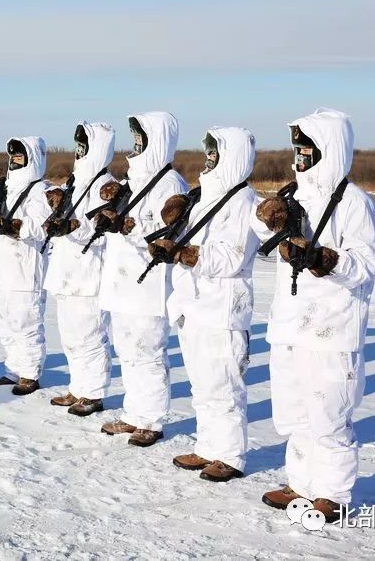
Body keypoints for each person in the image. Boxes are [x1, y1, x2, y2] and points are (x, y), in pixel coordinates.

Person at [255, 108, 375, 523]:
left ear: (329, 148)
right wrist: (269, 222)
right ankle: (302, 483)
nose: (300, 154)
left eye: (308, 146)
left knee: (329, 413)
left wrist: (326, 259)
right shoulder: (293, 195)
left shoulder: (355, 202)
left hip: (332, 326)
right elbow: (265, 239)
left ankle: (333, 493)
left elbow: (363, 266)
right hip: (290, 323)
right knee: (295, 412)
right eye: (297, 146)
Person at [152, 126, 260, 482]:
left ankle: (230, 454)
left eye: (216, 153)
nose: (209, 159)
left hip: (222, 308)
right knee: (202, 383)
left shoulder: (244, 203)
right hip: (194, 304)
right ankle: (209, 445)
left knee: (224, 385)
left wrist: (185, 253)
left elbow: (231, 257)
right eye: (208, 153)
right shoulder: (205, 197)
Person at [95, 112, 187, 447]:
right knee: (128, 350)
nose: (135, 146)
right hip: (123, 282)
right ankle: (134, 413)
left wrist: (127, 228)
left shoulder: (170, 184)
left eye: (141, 139)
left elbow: (167, 233)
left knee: (147, 351)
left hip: (147, 285)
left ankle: (151, 419)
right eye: (134, 139)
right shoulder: (134, 180)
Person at [43, 122, 116, 416]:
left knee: (90, 335)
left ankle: (94, 392)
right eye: (78, 145)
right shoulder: (76, 182)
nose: (79, 151)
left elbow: (101, 229)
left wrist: (73, 227)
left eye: (84, 145)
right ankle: (78, 386)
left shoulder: (105, 186)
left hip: (88, 274)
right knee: (71, 336)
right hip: (66, 271)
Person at [0, 137, 54, 396]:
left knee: (26, 324)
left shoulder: (42, 191)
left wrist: (11, 226)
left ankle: (30, 374)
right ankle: (13, 369)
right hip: (1, 266)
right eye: (13, 157)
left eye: (21, 157)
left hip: (25, 268)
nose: (15, 161)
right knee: (5, 324)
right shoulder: (6, 185)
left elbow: (42, 226)